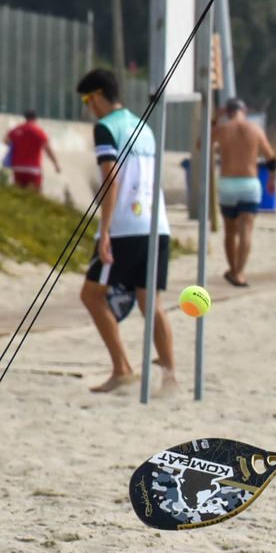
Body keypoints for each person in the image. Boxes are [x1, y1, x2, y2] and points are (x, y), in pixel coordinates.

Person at [75, 69, 178, 394]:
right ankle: (170, 376)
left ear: (99, 96)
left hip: (124, 228)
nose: (88, 107)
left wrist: (103, 231)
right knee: (150, 301)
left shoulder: (107, 128)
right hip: (156, 223)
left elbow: (111, 179)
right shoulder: (143, 126)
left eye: (87, 100)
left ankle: (122, 369)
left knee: (91, 295)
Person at [212, 98, 276, 287]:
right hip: (250, 183)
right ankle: (240, 273)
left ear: (228, 111)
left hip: (227, 184)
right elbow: (271, 158)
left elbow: (202, 143)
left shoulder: (223, 129)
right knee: (246, 231)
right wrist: (272, 179)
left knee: (230, 232)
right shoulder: (255, 129)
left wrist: (215, 120)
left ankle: (232, 269)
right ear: (245, 110)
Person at [4, 110, 61, 192]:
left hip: (18, 167)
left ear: (25, 117)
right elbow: (48, 149)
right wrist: (56, 164)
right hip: (33, 169)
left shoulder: (16, 130)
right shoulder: (38, 131)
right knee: (36, 194)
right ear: (35, 118)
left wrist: (19, 145)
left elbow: (6, 141)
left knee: (19, 193)